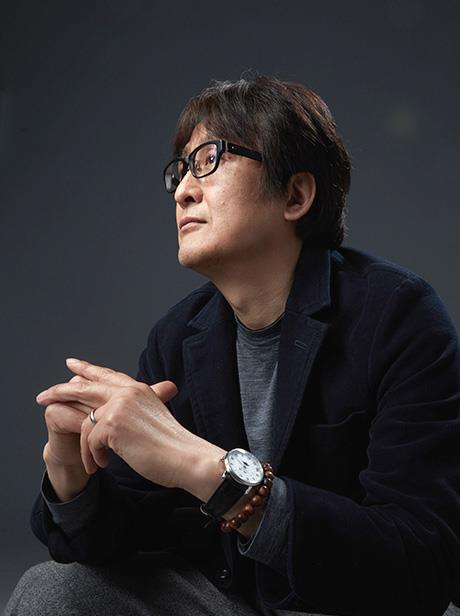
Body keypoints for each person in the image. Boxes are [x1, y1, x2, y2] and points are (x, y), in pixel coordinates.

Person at [5, 75, 460, 616]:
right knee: (54, 590)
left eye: (209, 160)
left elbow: (423, 561)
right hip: (233, 604)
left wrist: (203, 468)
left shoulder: (396, 314)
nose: (182, 190)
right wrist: (69, 473)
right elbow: (115, 541)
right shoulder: (179, 336)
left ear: (295, 195)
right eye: (180, 170)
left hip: (349, 607)